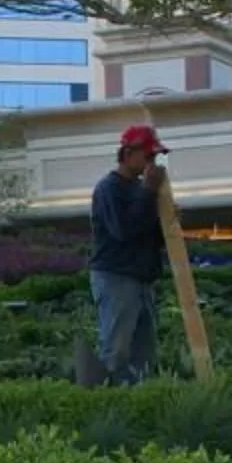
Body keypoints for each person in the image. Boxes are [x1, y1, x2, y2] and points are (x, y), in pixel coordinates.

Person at [89, 123, 168, 385]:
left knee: (144, 350)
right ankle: (110, 395)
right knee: (117, 346)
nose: (152, 163)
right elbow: (122, 230)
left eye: (154, 157)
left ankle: (138, 396)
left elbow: (148, 235)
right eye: (149, 156)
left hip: (141, 278)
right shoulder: (109, 188)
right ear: (128, 153)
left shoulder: (140, 190)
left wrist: (167, 221)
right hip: (116, 275)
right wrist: (148, 192)